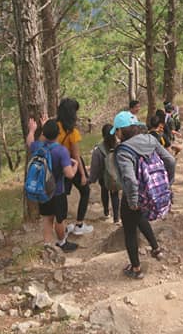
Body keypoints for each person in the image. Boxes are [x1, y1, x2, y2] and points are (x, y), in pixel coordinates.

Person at [112, 110, 175, 279]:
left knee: (130, 231)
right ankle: (156, 249)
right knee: (140, 218)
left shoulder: (123, 150)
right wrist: (168, 185)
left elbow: (130, 180)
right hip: (153, 192)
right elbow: (170, 160)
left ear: (120, 130)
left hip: (134, 196)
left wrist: (132, 201)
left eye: (116, 131)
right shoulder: (150, 139)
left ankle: (136, 269)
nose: (116, 134)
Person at [26, 117, 79, 254]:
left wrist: (32, 130)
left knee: (47, 218)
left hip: (43, 190)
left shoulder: (38, 147)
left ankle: (47, 246)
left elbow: (30, 142)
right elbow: (69, 174)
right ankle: (62, 242)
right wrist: (76, 166)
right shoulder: (61, 151)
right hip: (57, 191)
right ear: (58, 134)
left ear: (43, 134)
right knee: (59, 219)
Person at [56, 97, 93, 235]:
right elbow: (76, 155)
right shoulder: (72, 132)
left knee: (62, 196)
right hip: (72, 164)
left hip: (58, 166)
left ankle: (63, 227)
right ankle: (79, 225)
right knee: (85, 191)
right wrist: (83, 174)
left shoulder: (55, 126)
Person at [89, 124, 120, 224]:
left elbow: (95, 166)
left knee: (104, 191)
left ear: (102, 135)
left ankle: (106, 213)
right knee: (115, 195)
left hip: (103, 177)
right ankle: (116, 218)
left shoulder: (98, 150)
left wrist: (91, 179)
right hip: (115, 176)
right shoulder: (118, 147)